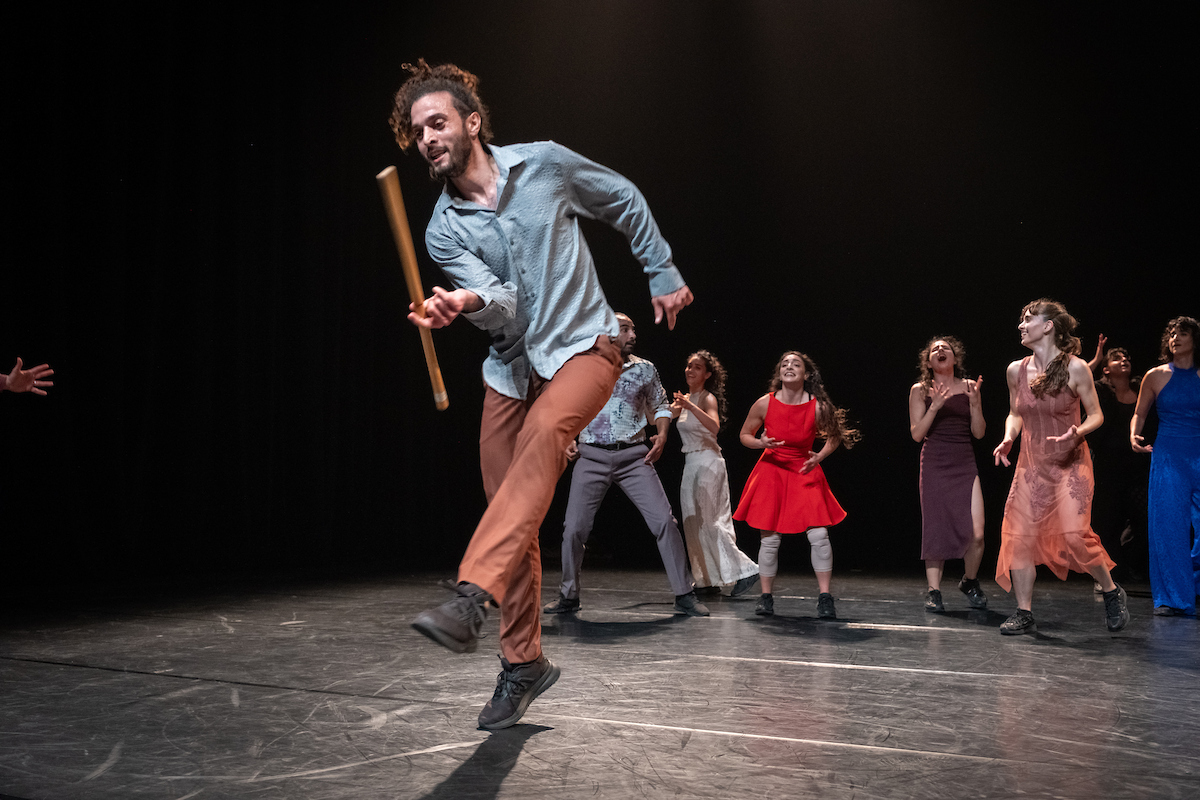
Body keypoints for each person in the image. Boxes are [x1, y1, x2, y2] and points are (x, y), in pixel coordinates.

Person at [390, 60, 693, 730]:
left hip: (584, 348)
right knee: (513, 512)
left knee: (541, 445)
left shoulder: (546, 165)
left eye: (437, 122)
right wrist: (465, 302)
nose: (427, 138)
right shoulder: (444, 228)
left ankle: (471, 595)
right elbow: (503, 303)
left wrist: (661, 268)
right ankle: (523, 661)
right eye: (416, 132)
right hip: (510, 370)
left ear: (472, 122)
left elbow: (620, 198)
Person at [542, 314, 709, 617]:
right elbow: (561, 404)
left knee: (664, 522)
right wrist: (565, 436)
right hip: (591, 456)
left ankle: (685, 593)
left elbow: (659, 405)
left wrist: (662, 433)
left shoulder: (644, 369)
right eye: (625, 328)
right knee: (574, 530)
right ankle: (569, 595)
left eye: (634, 327)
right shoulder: (581, 366)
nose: (633, 333)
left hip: (634, 456)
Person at [992, 299, 1129, 635]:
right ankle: (1024, 611)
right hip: (1031, 465)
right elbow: (1015, 413)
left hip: (1070, 463)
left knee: (1074, 534)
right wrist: (1009, 437)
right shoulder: (1016, 370)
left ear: (1048, 325)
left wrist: (1077, 431)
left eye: (1027, 319)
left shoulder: (1076, 368)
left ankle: (1111, 591)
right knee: (1018, 537)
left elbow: (1096, 415)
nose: (1021, 326)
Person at [733, 351, 859, 619]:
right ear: (779, 372)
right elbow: (744, 435)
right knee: (770, 539)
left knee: (819, 536)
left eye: (796, 364)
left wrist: (820, 456)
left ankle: (825, 597)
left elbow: (835, 437)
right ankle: (765, 597)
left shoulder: (818, 406)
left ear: (806, 374)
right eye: (784, 364)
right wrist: (760, 443)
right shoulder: (764, 404)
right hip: (772, 471)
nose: (789, 367)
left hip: (803, 468)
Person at [670, 350, 759, 597]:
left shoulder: (706, 398)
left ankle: (746, 570)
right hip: (690, 462)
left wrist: (690, 406)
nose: (690, 370)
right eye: (688, 366)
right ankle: (707, 579)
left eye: (697, 367)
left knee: (710, 520)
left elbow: (714, 427)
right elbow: (659, 417)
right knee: (692, 522)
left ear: (707, 374)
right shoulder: (685, 400)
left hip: (709, 462)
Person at [907, 337, 987, 613]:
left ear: (955, 358)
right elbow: (917, 434)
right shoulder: (920, 390)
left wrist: (975, 404)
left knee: (977, 534)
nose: (941, 351)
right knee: (936, 528)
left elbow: (979, 433)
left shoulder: (968, 388)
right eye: (935, 350)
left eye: (946, 348)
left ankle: (970, 581)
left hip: (964, 461)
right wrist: (935, 406)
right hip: (934, 463)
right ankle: (934, 590)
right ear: (928, 361)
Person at [1131, 316, 1200, 617]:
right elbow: (1139, 414)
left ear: (1195, 340)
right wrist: (1134, 433)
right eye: (1171, 334)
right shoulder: (1155, 375)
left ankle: (1193, 584)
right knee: (1169, 526)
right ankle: (1173, 597)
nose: (1175, 338)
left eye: (1182, 334)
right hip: (1169, 455)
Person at [1089, 346, 1150, 583]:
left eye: (1126, 357)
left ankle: (1130, 564)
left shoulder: (1140, 387)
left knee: (1143, 519)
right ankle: (1109, 574)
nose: (1124, 360)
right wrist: (1094, 359)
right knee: (1107, 521)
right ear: (1106, 369)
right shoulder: (1100, 390)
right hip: (1108, 465)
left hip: (1139, 464)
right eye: (1116, 359)